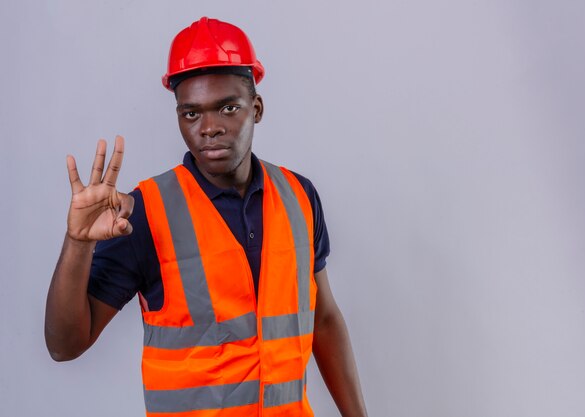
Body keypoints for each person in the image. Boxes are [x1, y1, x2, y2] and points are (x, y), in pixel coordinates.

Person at [45, 17, 368, 417]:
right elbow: (64, 345)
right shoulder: (144, 212)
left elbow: (324, 317)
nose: (210, 128)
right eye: (191, 114)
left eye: (227, 108)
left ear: (258, 108)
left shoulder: (300, 196)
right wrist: (78, 244)